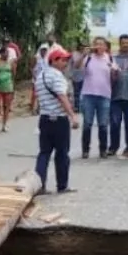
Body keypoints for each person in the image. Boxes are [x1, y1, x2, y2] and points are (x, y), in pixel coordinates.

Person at [34, 48, 80, 194]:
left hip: (45, 118)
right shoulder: (57, 76)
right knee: (62, 153)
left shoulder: (41, 76)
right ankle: (62, 185)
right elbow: (62, 97)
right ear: (53, 61)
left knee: (44, 153)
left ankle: (39, 185)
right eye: (62, 60)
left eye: (66, 60)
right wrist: (72, 115)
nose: (65, 63)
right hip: (59, 119)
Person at [78, 37, 113, 158]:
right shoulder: (88, 58)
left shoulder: (109, 58)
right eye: (96, 44)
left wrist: (114, 71)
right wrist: (83, 55)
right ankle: (85, 150)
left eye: (101, 44)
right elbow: (77, 67)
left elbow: (115, 74)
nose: (98, 46)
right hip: (89, 95)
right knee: (87, 123)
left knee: (103, 124)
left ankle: (103, 150)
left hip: (104, 95)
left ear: (106, 47)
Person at [108, 34, 128, 156]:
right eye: (123, 43)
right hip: (115, 96)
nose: (126, 45)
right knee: (115, 123)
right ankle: (113, 147)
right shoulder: (113, 58)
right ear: (119, 44)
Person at [69, 42, 87, 112]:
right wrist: (83, 56)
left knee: (84, 93)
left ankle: (83, 107)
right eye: (82, 46)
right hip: (76, 76)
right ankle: (77, 107)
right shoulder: (75, 54)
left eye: (85, 46)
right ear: (79, 46)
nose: (83, 47)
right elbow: (77, 65)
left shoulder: (88, 55)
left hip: (85, 76)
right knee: (77, 93)